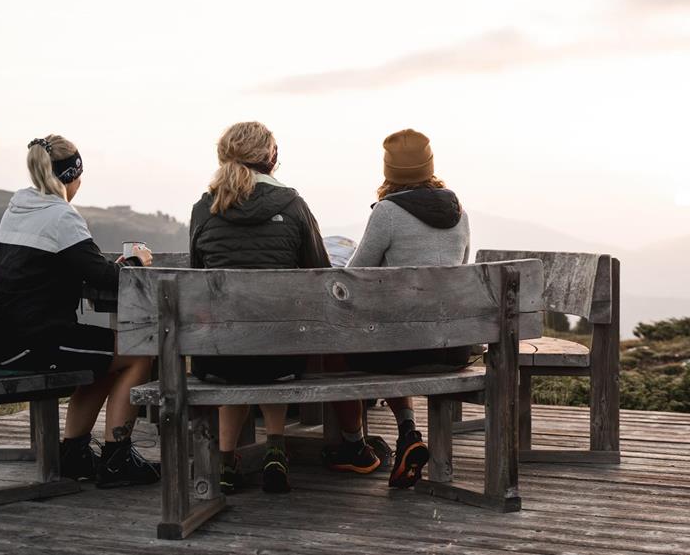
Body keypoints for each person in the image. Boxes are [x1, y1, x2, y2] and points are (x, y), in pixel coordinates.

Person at [0, 135, 159, 488]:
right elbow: (108, 278)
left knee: (106, 358)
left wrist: (103, 267)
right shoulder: (61, 215)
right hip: (32, 340)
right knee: (138, 353)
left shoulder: (18, 208)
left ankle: (74, 453)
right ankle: (117, 459)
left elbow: (70, 265)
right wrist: (137, 262)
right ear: (72, 176)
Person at [325, 128, 477, 489]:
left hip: (402, 349)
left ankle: (354, 446)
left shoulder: (388, 213)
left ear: (388, 170)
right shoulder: (460, 214)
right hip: (452, 349)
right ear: (430, 166)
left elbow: (354, 276)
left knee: (335, 351)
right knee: (396, 334)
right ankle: (408, 432)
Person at [189, 121, 331, 494]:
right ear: (271, 156)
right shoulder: (294, 205)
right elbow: (321, 274)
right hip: (280, 359)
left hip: (218, 359)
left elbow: (196, 278)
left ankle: (225, 461)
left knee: (233, 338)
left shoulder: (204, 209)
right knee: (271, 336)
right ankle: (275, 450)